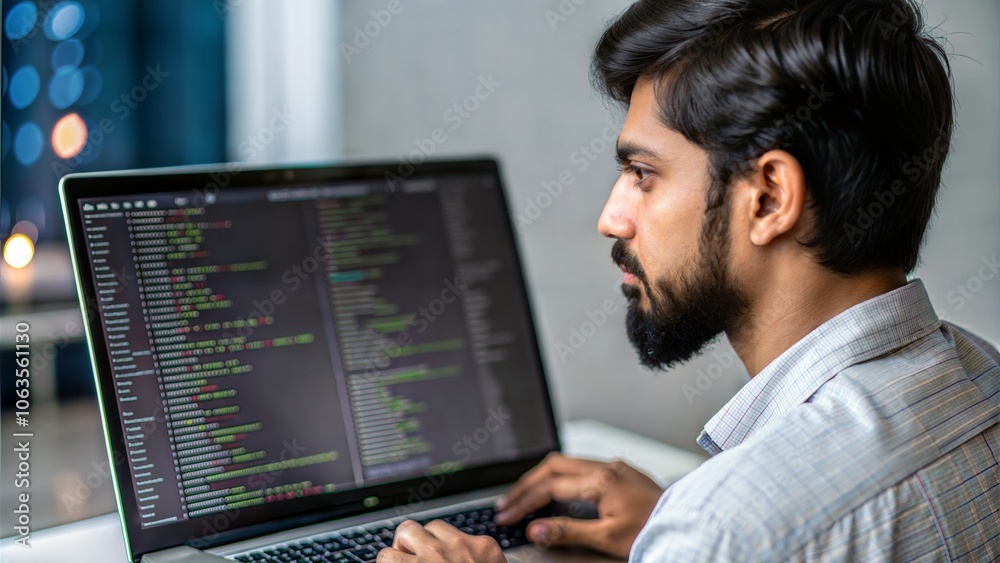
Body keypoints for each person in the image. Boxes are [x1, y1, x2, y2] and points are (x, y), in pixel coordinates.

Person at [377, 0, 1000, 561]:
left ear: (768, 198)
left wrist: (693, 535)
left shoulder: (724, 530)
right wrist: (667, 529)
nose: (611, 218)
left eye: (642, 173)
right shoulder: (985, 379)